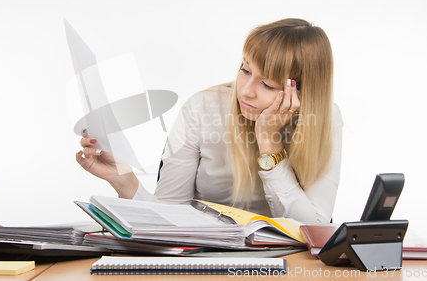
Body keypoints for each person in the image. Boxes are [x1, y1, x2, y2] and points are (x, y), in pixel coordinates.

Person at [76, 18, 343, 223]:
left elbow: (315, 229)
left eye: (267, 84)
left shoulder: (326, 120)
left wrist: (270, 144)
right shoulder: (202, 109)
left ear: (302, 93)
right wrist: (124, 180)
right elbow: (168, 216)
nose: (246, 90)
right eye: (245, 69)